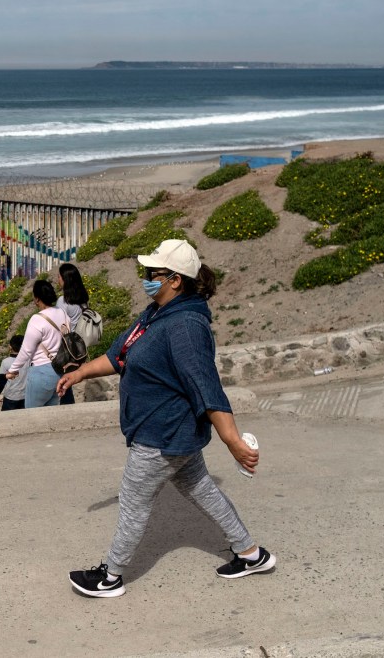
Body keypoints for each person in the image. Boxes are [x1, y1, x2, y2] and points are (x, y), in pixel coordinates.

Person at [57, 239, 274, 598]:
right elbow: (119, 356)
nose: (145, 278)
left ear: (176, 280)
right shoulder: (156, 313)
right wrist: (79, 374)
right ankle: (251, 554)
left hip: (163, 434)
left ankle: (110, 576)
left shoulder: (186, 326)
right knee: (202, 490)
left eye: (152, 273)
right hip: (173, 433)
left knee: (133, 501)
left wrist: (233, 441)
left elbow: (206, 387)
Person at [4, 279, 69, 408]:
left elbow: (26, 351)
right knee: (51, 414)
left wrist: (12, 370)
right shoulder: (62, 312)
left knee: (32, 416)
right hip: (60, 370)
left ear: (37, 298)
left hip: (41, 372)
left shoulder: (37, 319)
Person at [55, 263, 90, 405]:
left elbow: (59, 326)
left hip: (66, 348)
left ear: (65, 279)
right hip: (79, 346)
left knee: (62, 380)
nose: (57, 279)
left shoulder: (63, 301)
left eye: (59, 277)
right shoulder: (83, 299)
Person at [0, 335, 29, 411]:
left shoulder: (6, 362)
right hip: (26, 396)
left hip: (11, 397)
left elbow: (2, 381)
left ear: (10, 347)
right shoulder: (29, 360)